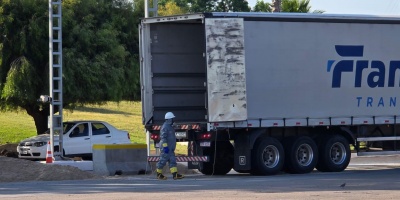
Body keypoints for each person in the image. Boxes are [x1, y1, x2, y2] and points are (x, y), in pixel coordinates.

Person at [156, 112, 184, 180]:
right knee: (162, 161)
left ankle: (175, 174)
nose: (173, 120)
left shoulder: (170, 127)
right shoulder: (165, 127)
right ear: (169, 119)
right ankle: (158, 174)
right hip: (166, 148)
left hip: (170, 148)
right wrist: (165, 147)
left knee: (172, 161)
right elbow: (163, 138)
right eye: (172, 119)